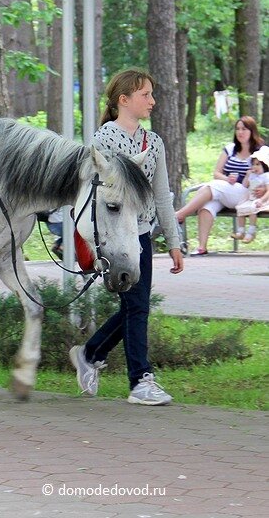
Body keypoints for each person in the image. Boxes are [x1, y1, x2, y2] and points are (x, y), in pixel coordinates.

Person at [69, 68, 184, 406]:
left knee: (137, 306)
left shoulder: (156, 142)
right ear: (124, 100)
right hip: (116, 237)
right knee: (136, 306)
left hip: (142, 235)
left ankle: (90, 353)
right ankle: (140, 380)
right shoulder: (103, 139)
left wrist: (174, 242)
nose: (152, 100)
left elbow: (162, 195)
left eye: (151, 93)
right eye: (145, 94)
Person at [175, 116, 265, 255]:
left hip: (247, 194)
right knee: (207, 207)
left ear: (252, 131)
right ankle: (202, 247)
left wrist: (264, 188)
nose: (240, 132)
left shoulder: (261, 151)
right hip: (227, 190)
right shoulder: (229, 149)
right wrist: (227, 178)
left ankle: (180, 215)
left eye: (244, 129)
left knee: (212, 187)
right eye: (237, 129)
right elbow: (217, 173)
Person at [232, 148, 269, 243]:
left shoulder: (266, 176)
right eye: (253, 164)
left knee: (253, 208)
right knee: (240, 208)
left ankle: (251, 232)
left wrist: (261, 200)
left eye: (258, 164)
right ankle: (241, 231)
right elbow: (245, 185)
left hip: (263, 200)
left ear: (264, 165)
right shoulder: (252, 175)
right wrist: (247, 176)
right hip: (251, 198)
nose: (254, 167)